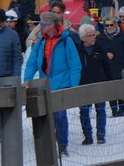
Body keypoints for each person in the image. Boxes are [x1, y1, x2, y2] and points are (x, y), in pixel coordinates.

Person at [22, 11, 81, 156]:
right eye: (41, 23)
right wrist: (27, 80)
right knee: (47, 115)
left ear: (53, 25)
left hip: (61, 83)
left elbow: (75, 64)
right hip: (45, 83)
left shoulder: (66, 40)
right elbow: (31, 63)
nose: (41, 26)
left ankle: (62, 145)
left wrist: (73, 87)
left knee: (60, 115)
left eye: (44, 24)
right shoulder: (40, 41)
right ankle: (49, 143)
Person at [76, 24, 111, 145]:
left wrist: (110, 82)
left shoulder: (100, 49)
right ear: (83, 38)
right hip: (83, 85)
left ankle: (101, 134)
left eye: (94, 35)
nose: (93, 38)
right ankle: (87, 136)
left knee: (100, 109)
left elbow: (107, 67)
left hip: (99, 83)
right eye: (90, 36)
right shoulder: (77, 51)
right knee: (84, 111)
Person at [99, 12, 124, 116]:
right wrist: (105, 55)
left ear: (115, 24)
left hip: (121, 66)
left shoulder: (123, 36)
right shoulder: (100, 38)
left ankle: (122, 108)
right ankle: (114, 109)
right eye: (107, 25)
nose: (109, 27)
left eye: (111, 25)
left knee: (121, 88)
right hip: (108, 68)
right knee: (111, 89)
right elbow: (99, 52)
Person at [0, 8, 23, 81]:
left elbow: (17, 58)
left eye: (1, 22)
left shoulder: (13, 35)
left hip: (6, 76)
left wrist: (16, 77)